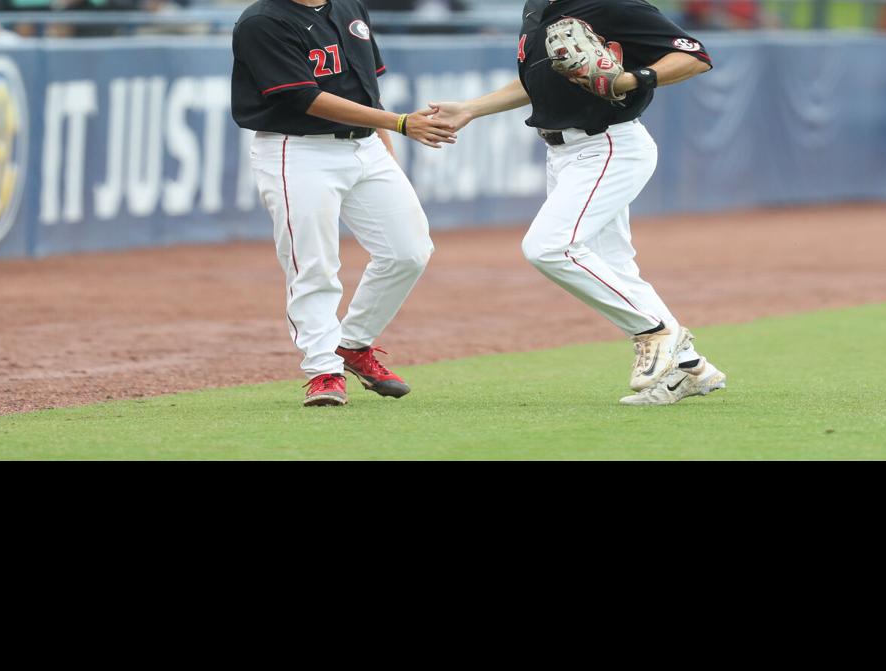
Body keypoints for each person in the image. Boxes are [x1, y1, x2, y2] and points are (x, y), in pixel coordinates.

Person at [428, 0, 726, 406]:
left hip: (607, 145)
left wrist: (633, 79)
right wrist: (470, 109)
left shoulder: (610, 4)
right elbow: (537, 84)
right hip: (563, 153)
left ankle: (656, 332)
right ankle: (690, 368)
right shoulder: (536, 10)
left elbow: (694, 56)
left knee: (549, 247)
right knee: (616, 268)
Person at [231, 0, 456, 406]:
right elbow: (305, 98)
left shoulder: (350, 6)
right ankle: (323, 369)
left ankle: (352, 343)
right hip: (297, 150)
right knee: (312, 263)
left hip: (364, 145)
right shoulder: (262, 20)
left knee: (408, 250)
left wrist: (384, 144)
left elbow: (368, 89)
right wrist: (401, 124)